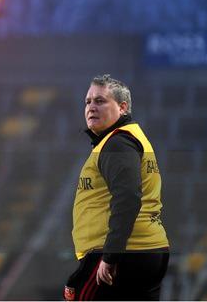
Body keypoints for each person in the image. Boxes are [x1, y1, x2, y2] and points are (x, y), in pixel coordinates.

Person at [64, 75, 169, 301]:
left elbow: (128, 197)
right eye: (88, 101)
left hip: (121, 254)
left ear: (122, 107)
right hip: (146, 251)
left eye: (100, 101)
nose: (91, 107)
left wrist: (111, 256)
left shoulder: (117, 143)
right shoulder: (129, 139)